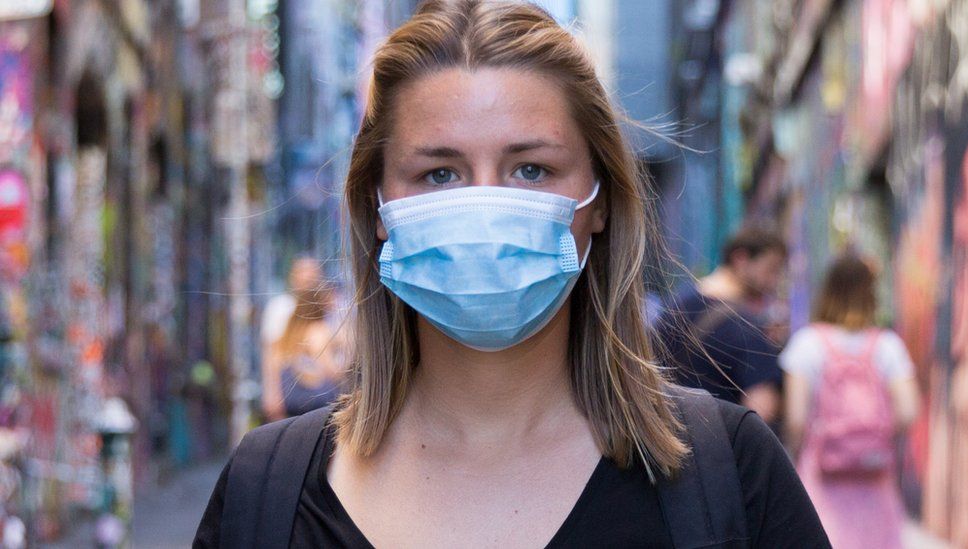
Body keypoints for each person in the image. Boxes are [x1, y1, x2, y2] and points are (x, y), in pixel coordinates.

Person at [194, 1, 828, 547]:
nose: (486, 207)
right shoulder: (265, 498)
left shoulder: (732, 478)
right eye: (439, 173)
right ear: (379, 208)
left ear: (600, 201)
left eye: (531, 169)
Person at [780, 254, 919, 548]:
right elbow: (908, 410)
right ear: (871, 293)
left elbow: (795, 419)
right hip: (874, 475)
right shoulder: (887, 345)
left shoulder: (807, 343)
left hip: (821, 476)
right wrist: (872, 438)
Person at [656, 227, 787, 423]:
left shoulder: (675, 305)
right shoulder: (748, 330)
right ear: (741, 259)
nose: (774, 282)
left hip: (664, 436)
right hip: (717, 445)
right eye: (771, 269)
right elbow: (762, 412)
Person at [261, 282, 349, 421]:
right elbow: (330, 371)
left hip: (289, 403)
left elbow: (272, 367)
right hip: (315, 405)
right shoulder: (318, 331)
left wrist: (272, 397)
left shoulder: (287, 333)